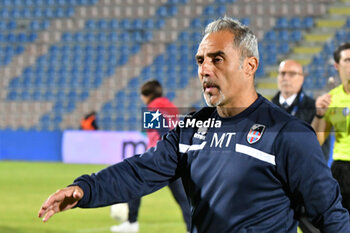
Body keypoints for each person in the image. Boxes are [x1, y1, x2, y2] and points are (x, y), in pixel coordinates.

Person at [38, 17, 350, 233]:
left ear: (250, 65)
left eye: (217, 59)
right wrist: (84, 189)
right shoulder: (191, 129)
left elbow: (328, 215)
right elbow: (140, 171)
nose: (204, 69)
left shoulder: (288, 133)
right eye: (200, 60)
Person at [110, 80, 191, 233]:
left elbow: (161, 131)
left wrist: (158, 150)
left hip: (159, 156)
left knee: (133, 182)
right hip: (175, 157)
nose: (141, 98)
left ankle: (131, 223)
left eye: (142, 95)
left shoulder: (153, 107)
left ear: (147, 95)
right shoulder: (171, 107)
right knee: (182, 197)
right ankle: (191, 228)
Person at [271, 60, 320, 233]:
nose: (286, 78)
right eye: (282, 73)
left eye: (292, 74)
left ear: (302, 78)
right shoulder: (265, 109)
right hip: (276, 188)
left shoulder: (315, 108)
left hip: (306, 185)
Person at [311, 42, 350, 214]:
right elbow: (317, 139)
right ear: (337, 65)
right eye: (348, 60)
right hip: (342, 168)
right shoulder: (331, 99)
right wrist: (319, 114)